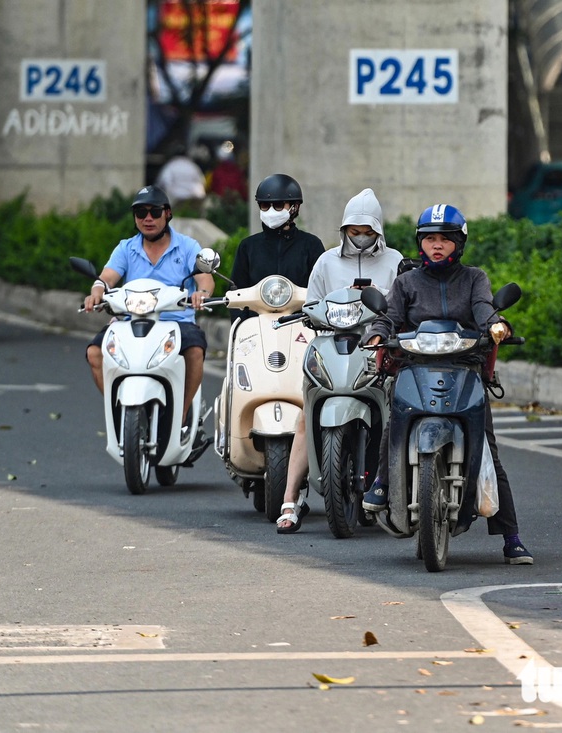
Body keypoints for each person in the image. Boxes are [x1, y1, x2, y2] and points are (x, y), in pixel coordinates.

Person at [359, 204, 534, 565]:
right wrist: (377, 333)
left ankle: (511, 537)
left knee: (488, 448)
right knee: (395, 422)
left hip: (464, 367)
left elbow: (485, 308)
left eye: (445, 240)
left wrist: (497, 325)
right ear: (420, 243)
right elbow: (390, 317)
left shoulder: (474, 279)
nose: (437, 246)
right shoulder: (406, 282)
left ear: (459, 243)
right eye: (430, 239)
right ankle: (382, 482)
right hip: (415, 366)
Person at [276, 188, 403, 533]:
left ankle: (398, 490)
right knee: (306, 414)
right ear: (344, 229)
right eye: (354, 230)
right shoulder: (327, 261)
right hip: (331, 345)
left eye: (368, 231)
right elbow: (311, 303)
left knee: (399, 409)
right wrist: (309, 314)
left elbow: (403, 305)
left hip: (377, 348)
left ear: (379, 230)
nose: (361, 237)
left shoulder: (395, 261)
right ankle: (290, 499)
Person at [83, 185, 215, 435]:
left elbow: (205, 278)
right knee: (94, 353)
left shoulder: (187, 246)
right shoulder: (126, 248)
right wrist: (96, 292)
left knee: (195, 350)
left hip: (176, 322)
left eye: (154, 211)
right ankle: (121, 410)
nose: (148, 218)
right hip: (130, 321)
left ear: (168, 214)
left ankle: (182, 417)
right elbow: (106, 277)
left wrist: (202, 294)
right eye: (140, 212)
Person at [228, 173, 324, 322]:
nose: (270, 211)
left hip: (301, 325)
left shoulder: (311, 245)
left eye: (278, 205)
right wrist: (241, 327)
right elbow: (236, 293)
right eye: (265, 205)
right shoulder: (248, 246)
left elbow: (321, 290)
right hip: (256, 327)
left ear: (294, 207)